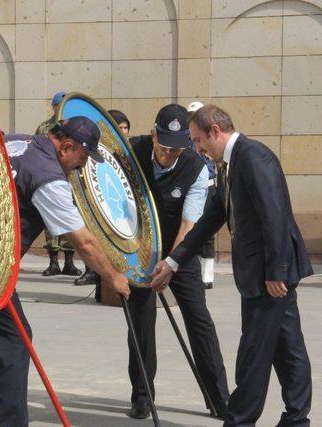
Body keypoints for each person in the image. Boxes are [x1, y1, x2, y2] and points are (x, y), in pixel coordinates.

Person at [0, 116, 131, 426]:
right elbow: (84, 243)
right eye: (81, 159)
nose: (81, 167)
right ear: (67, 146)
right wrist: (113, 277)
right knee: (15, 340)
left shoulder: (17, 141)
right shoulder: (48, 177)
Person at [151, 104, 313, 427]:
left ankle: (239, 421)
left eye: (198, 140)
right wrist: (173, 261)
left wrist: (275, 272)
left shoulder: (253, 158)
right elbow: (212, 217)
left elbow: (275, 216)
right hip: (263, 273)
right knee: (288, 346)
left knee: (253, 353)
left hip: (268, 276)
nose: (197, 149)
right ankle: (297, 418)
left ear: (215, 131)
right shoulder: (230, 163)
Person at [124, 104, 229, 419]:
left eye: (178, 148)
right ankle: (142, 396)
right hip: (138, 250)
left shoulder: (195, 167)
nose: (170, 154)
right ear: (154, 133)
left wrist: (171, 263)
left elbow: (189, 223)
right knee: (141, 323)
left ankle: (219, 398)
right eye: (164, 146)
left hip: (179, 250)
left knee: (199, 321)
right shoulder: (133, 152)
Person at [74, 109, 132, 287]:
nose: (122, 130)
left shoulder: (130, 150)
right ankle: (93, 272)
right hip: (97, 201)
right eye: (118, 126)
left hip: (119, 206)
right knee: (92, 238)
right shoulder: (93, 149)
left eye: (125, 127)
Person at [34, 91, 82, 277]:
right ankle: (53, 261)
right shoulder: (45, 127)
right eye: (58, 105)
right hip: (50, 177)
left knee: (71, 217)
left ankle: (69, 261)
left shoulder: (76, 126)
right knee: (50, 219)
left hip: (72, 181)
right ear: (53, 107)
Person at [188, 101, 217, 289]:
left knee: (207, 232)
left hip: (208, 187)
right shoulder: (186, 139)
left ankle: (207, 276)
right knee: (190, 228)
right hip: (191, 188)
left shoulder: (208, 138)